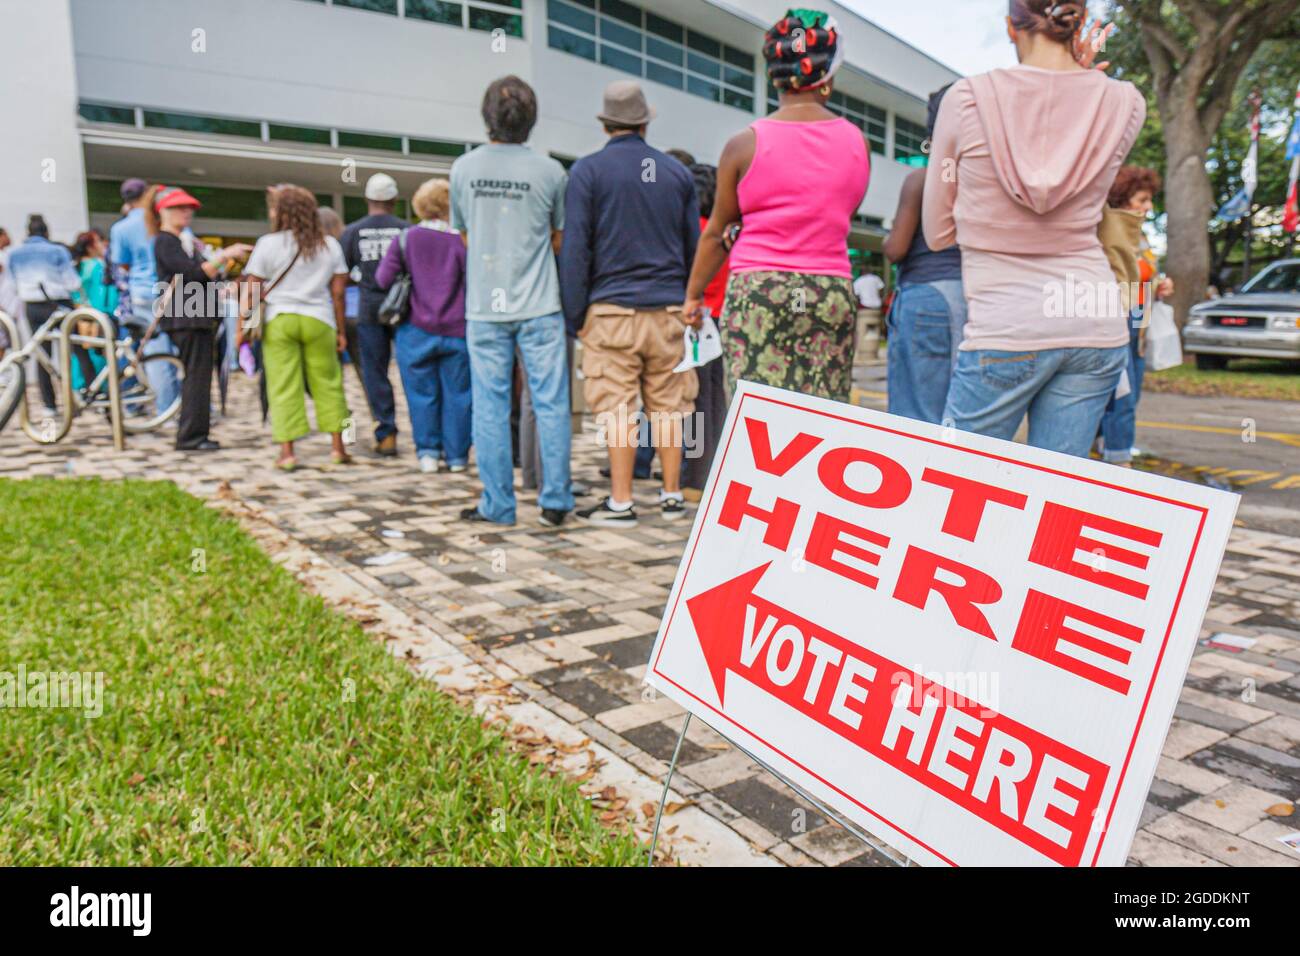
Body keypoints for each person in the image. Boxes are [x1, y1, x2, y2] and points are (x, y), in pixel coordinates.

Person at [923, 1, 1143, 458]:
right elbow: (1074, 143)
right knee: (1055, 494)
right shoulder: (1126, 102)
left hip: (1006, 322)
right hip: (1095, 320)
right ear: (1079, 24)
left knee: (954, 483)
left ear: (1010, 26)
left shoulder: (966, 98)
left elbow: (937, 232)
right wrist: (1078, 74)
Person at [684, 9, 870, 404]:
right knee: (823, 415)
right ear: (828, 77)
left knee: (754, 416)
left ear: (774, 75)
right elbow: (845, 215)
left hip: (758, 290)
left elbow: (717, 232)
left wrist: (693, 296)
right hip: (828, 290)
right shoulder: (857, 144)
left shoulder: (742, 145)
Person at [559, 81, 700, 526]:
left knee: (618, 408)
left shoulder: (587, 171)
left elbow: (576, 249)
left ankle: (621, 501)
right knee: (671, 406)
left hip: (611, 309)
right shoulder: (676, 174)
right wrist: (690, 301)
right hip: (669, 311)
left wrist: (575, 315)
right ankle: (672, 495)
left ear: (605, 123)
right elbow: (694, 246)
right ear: (644, 121)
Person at [451, 75, 573, 527]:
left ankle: (498, 506)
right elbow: (558, 238)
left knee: (489, 405)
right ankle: (556, 499)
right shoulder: (551, 171)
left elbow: (465, 235)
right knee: (551, 403)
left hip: (485, 305)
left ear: (487, 118)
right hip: (540, 302)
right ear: (532, 119)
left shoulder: (464, 169)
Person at [241, 185, 352, 470]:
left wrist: (244, 328)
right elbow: (338, 293)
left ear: (282, 212)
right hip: (319, 319)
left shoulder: (268, 243)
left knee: (283, 385)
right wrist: (341, 331)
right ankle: (338, 447)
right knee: (329, 383)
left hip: (280, 319)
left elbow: (252, 290)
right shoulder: (330, 245)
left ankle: (288, 453)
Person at [882, 85, 967, 425]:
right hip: (973, 299)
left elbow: (896, 249)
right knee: (961, 415)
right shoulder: (985, 181)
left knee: (915, 418)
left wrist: (891, 233)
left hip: (927, 295)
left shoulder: (922, 179)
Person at [376, 178, 472, 474]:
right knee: (459, 395)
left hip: (415, 330)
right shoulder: (462, 241)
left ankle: (428, 453)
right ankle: (457, 457)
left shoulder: (406, 238)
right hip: (458, 331)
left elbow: (382, 279)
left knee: (421, 394)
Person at [149, 187, 250, 450]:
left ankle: (196, 433)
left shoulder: (183, 242)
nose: (187, 213)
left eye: (189, 209)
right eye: (180, 208)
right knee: (196, 376)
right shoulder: (165, 241)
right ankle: (191, 436)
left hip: (197, 317)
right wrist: (225, 255)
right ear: (164, 211)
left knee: (200, 376)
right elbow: (191, 275)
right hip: (186, 318)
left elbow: (202, 274)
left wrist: (221, 265)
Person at [1097, 165, 1169, 466]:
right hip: (1119, 312)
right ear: (1123, 198)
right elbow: (1120, 271)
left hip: (1139, 314)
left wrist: (1158, 284)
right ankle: (1118, 456)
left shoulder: (1139, 235)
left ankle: (1107, 443)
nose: (1148, 206)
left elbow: (1143, 272)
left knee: (1133, 387)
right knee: (1122, 392)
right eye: (1142, 200)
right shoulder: (1111, 228)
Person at [341, 173, 408, 457]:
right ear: (394, 201)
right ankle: (429, 436)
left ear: (367, 199)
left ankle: (387, 432)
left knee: (375, 372)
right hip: (404, 308)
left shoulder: (353, 231)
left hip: (369, 308)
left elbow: (340, 274)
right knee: (411, 371)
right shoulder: (406, 230)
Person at [681, 163, 730, 502]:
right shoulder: (723, 234)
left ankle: (694, 478)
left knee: (693, 401)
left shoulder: (690, 234)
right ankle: (716, 467)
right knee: (715, 399)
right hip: (719, 321)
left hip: (694, 324)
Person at [111, 179, 180, 416]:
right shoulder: (164, 218)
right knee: (178, 353)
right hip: (173, 291)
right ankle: (174, 409)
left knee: (156, 356)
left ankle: (167, 410)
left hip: (142, 294)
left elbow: (123, 264)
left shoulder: (121, 228)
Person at [6, 215, 84, 413]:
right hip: (59, 303)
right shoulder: (56, 250)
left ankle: (49, 405)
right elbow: (73, 282)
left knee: (42, 355)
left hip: (32, 306)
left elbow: (13, 283)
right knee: (75, 350)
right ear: (46, 231)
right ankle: (84, 395)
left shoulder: (15, 254)